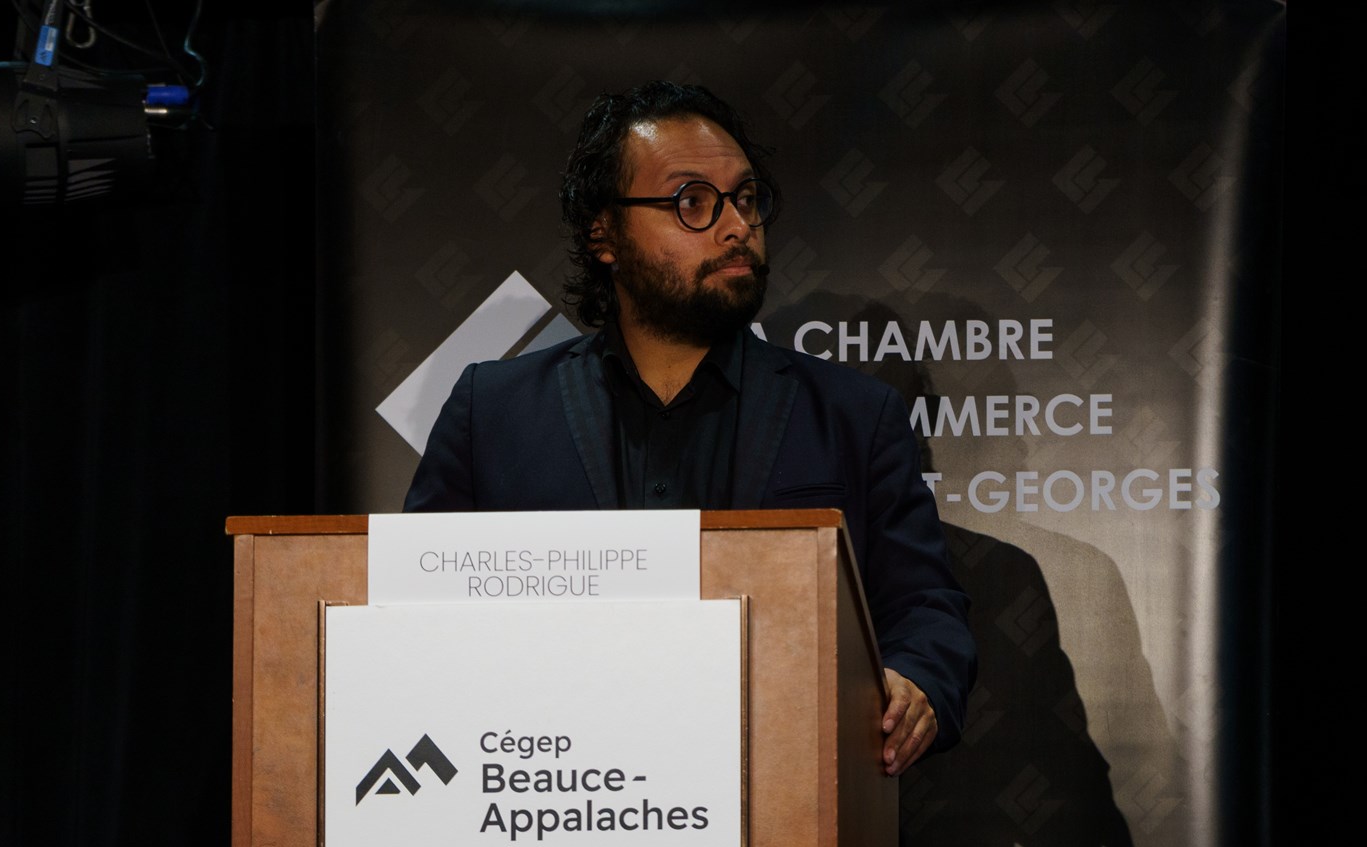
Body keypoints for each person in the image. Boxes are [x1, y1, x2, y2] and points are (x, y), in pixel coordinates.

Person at [405, 81, 975, 775]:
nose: (737, 227)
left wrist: (916, 681)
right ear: (604, 233)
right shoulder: (492, 411)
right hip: (546, 792)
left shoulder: (855, 415)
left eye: (746, 198)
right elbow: (411, 612)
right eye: (693, 202)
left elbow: (923, 608)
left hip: (782, 789)